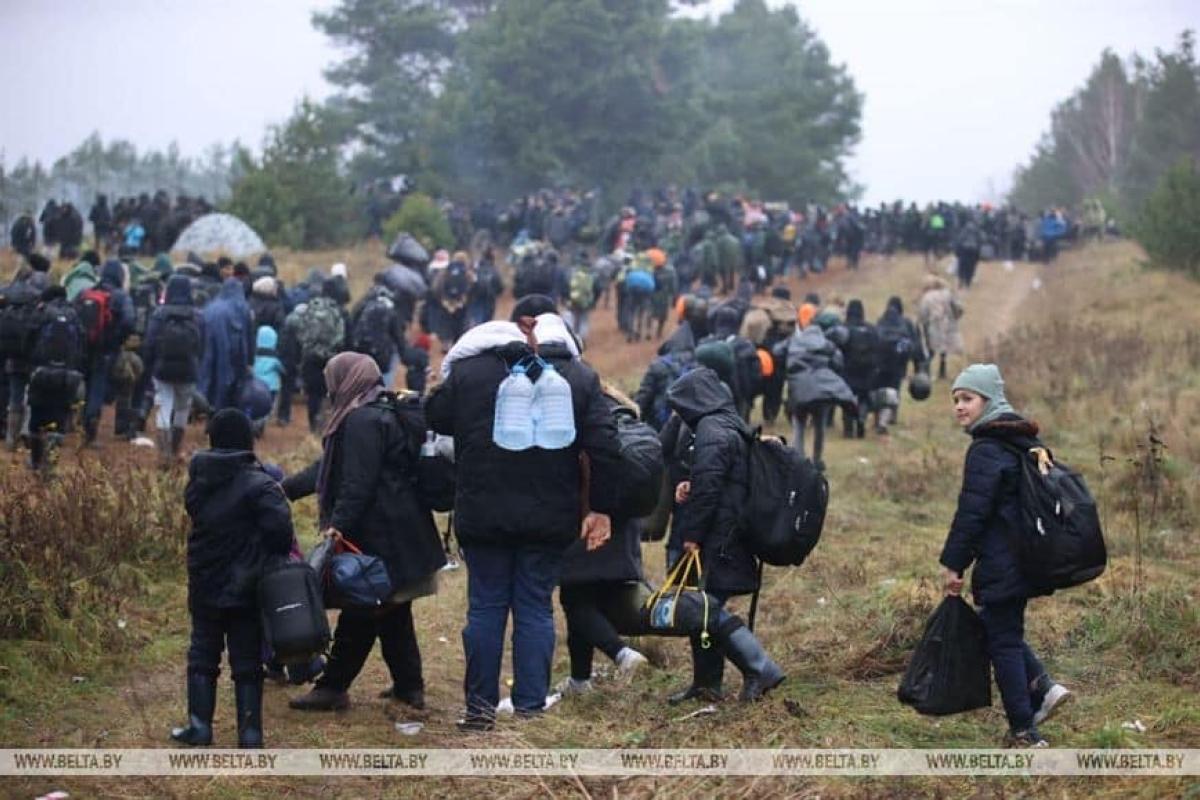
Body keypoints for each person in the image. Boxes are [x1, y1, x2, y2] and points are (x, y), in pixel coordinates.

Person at [424, 296, 622, 731]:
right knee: (535, 607)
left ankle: (479, 710)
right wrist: (601, 508)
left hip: (482, 513)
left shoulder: (473, 374)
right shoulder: (579, 378)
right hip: (550, 516)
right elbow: (607, 446)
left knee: (485, 608)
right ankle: (531, 709)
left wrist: (441, 379)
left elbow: (435, 415)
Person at [287, 353, 447, 712]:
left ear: (345, 381)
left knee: (363, 610)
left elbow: (358, 482)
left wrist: (335, 527)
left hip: (383, 534)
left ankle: (333, 687)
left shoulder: (361, 420)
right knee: (390, 610)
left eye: (333, 380)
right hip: (403, 531)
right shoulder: (381, 410)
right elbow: (331, 467)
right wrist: (287, 487)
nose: (329, 389)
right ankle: (409, 687)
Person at [939, 364, 1072, 747]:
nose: (960, 407)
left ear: (988, 400)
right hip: (1030, 557)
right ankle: (1043, 687)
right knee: (1002, 628)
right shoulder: (1023, 439)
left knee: (1003, 641)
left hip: (1004, 560)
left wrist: (953, 563)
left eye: (967, 399)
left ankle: (1024, 731)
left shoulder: (987, 448)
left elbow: (972, 513)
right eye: (956, 400)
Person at [172, 409, 294, 748]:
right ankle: (250, 733)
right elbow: (281, 536)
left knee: (202, 653)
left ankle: (199, 727)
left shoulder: (199, 480)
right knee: (247, 659)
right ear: (246, 439)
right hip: (248, 585)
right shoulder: (261, 484)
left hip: (205, 581)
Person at [663, 368, 785, 703]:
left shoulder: (711, 428)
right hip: (729, 532)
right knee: (701, 610)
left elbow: (710, 486)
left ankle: (760, 668)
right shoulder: (730, 423)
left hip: (718, 537)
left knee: (706, 609)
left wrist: (691, 535)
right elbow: (719, 479)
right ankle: (706, 683)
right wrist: (692, 484)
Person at [142, 275, 204, 466]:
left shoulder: (160, 314)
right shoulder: (196, 315)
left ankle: (164, 454)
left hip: (163, 369)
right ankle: (176, 448)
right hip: (188, 369)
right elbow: (203, 345)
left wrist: (150, 364)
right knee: (182, 408)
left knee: (163, 406)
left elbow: (150, 342)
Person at [785, 303, 856, 470]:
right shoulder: (827, 344)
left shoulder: (795, 341)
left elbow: (778, 352)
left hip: (799, 388)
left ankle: (798, 460)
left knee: (799, 425)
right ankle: (817, 460)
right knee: (820, 426)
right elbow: (839, 363)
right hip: (822, 389)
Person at [25, 285, 84, 473]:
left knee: (37, 417)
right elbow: (82, 343)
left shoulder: (41, 313)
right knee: (59, 418)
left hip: (40, 373)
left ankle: (35, 463)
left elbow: (27, 340)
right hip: (67, 375)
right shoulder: (74, 314)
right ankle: (50, 466)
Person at [79, 260, 135, 446]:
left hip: (85, 347)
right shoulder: (120, 296)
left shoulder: (86, 293)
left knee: (86, 384)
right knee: (98, 386)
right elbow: (129, 321)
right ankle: (91, 432)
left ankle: (81, 423)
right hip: (106, 350)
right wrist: (116, 339)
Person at [198, 278, 254, 413]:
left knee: (210, 381)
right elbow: (247, 336)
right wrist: (248, 361)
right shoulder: (241, 307)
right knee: (229, 386)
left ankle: (210, 414)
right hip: (232, 353)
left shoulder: (210, 307)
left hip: (208, 351)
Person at [840, 300, 878, 438]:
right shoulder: (871, 329)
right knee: (863, 397)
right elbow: (878, 348)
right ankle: (861, 417)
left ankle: (848, 428)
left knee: (846, 399)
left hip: (848, 370)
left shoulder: (843, 328)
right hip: (867, 371)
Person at [918, 276, 965, 381]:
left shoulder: (927, 297)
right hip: (948, 325)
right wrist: (956, 317)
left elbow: (923, 313)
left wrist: (923, 325)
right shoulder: (948, 294)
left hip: (933, 325)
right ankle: (942, 372)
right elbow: (959, 308)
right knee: (944, 351)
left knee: (930, 350)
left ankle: (926, 372)